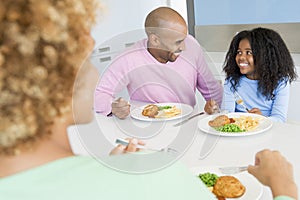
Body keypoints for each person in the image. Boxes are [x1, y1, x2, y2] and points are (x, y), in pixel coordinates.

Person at [0, 2, 297, 200]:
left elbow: (212, 91)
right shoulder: (158, 174)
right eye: (86, 58)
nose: (93, 68)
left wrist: (109, 170)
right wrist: (283, 185)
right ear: (61, 83)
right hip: (147, 136)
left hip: (193, 130)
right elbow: (102, 99)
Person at [94, 7, 223, 119]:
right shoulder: (129, 58)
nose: (184, 47)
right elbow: (99, 95)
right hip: (147, 127)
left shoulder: (192, 46)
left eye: (184, 39)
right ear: (155, 40)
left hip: (187, 121)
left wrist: (228, 111)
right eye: (178, 42)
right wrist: (112, 106)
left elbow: (211, 89)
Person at [221, 27, 297, 122]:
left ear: (265, 57)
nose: (241, 57)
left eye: (248, 52)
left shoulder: (280, 82)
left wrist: (260, 119)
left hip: (269, 132)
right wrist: (215, 112)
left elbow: (279, 118)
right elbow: (227, 114)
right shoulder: (232, 82)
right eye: (239, 52)